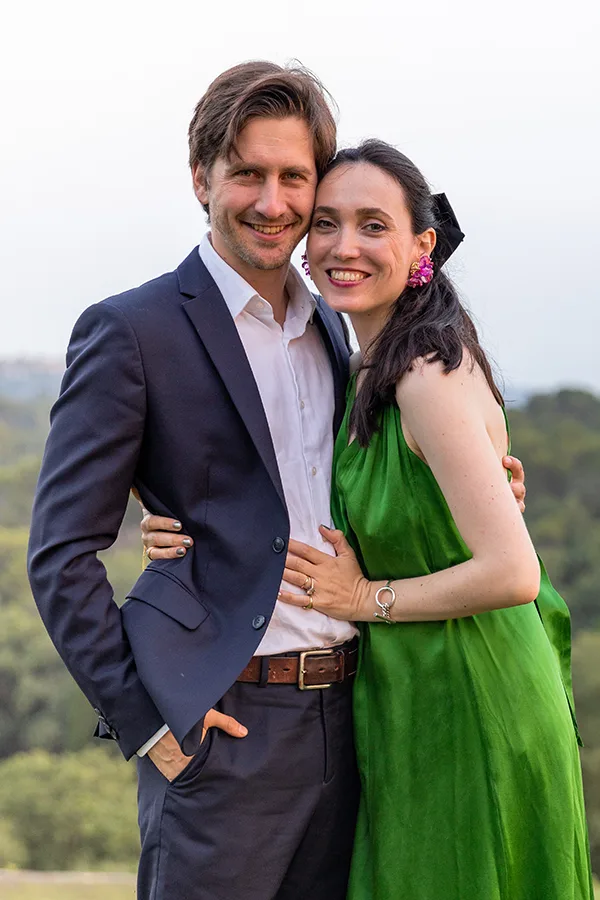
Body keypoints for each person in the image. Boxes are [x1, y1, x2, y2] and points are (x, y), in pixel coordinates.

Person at [28, 60, 526, 900]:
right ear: (201, 178)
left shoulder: (344, 329)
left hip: (366, 720)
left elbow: (360, 485)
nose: (272, 201)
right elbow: (60, 552)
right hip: (226, 728)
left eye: (294, 177)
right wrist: (150, 723)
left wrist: (469, 493)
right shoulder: (132, 330)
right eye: (247, 173)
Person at [144, 141, 593, 898]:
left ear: (422, 245)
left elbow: (513, 573)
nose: (343, 247)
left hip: (471, 688)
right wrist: (176, 522)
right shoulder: (361, 358)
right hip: (404, 695)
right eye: (326, 223)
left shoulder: (424, 372)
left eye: (372, 225)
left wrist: (362, 600)